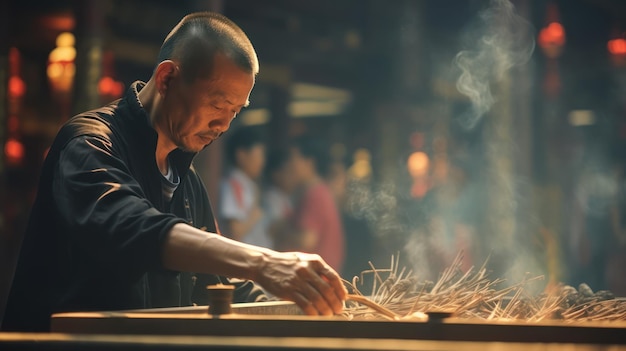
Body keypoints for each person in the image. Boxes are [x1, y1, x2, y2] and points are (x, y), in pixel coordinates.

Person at [2, 12, 345, 332]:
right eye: (217, 104)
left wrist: (310, 309)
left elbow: (218, 282)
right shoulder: (89, 143)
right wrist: (263, 262)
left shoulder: (186, 180)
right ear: (167, 78)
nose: (224, 124)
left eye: (236, 111)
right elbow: (134, 228)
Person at [278, 135, 345, 272]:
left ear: (309, 162)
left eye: (293, 158)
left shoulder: (315, 195)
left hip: (315, 280)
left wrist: (280, 230)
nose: (289, 165)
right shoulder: (318, 191)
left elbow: (306, 240)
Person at [219, 127, 270, 247]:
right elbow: (234, 231)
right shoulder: (233, 185)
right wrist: (255, 215)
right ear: (241, 155)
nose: (262, 161)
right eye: (259, 155)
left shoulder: (247, 185)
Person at [263, 148, 296, 247]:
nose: (292, 177)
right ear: (276, 174)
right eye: (288, 172)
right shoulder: (270, 198)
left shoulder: (287, 198)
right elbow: (274, 228)